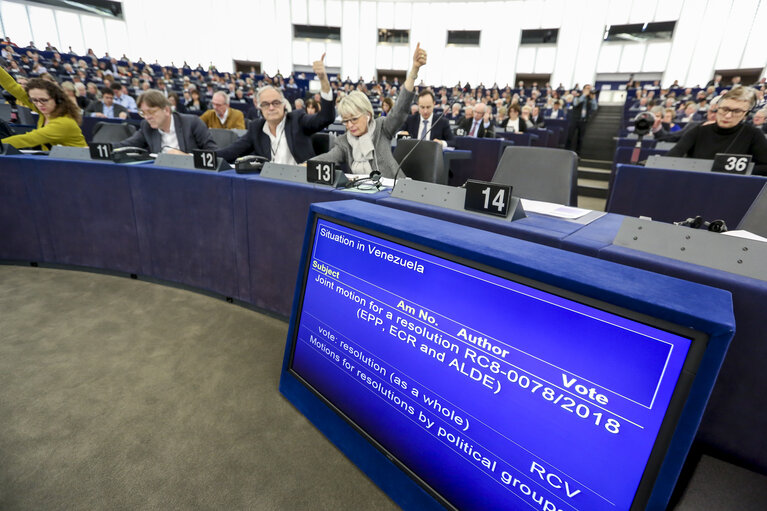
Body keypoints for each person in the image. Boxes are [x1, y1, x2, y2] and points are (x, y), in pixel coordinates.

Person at [311, 44, 427, 178]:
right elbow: (327, 158)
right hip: (362, 193)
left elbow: (400, 109)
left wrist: (414, 70)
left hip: (394, 190)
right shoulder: (343, 142)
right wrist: (302, 167)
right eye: (346, 121)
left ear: (367, 115)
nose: (349, 126)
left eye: (354, 119)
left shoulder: (382, 128)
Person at [217, 53, 334, 164]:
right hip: (270, 183)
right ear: (260, 108)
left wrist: (323, 79)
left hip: (301, 181)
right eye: (266, 104)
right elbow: (231, 152)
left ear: (284, 104)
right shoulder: (256, 128)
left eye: (276, 103)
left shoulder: (297, 120)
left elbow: (325, 117)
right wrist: (204, 157)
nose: (271, 108)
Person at [667, 87, 767, 175]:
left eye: (737, 111)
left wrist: (739, 170)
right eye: (724, 109)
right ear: (717, 108)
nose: (728, 116)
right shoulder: (698, 130)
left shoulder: (754, 135)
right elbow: (669, 160)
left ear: (746, 114)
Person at [0, 65, 86, 149]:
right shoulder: (46, 110)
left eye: (44, 100)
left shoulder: (64, 122)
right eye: (34, 100)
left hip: (78, 162)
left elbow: (28, 139)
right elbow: (13, 87)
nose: (39, 104)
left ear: (56, 99)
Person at [113, 89, 216, 154]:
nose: (147, 117)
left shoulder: (192, 123)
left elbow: (213, 154)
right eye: (143, 113)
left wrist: (187, 158)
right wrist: (103, 148)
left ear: (166, 110)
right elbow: (127, 145)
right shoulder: (147, 126)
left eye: (151, 112)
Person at [567, 84, 598, 153]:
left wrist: (593, 99)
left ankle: (577, 153)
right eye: (587, 88)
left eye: (590, 89)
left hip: (583, 120)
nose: (589, 90)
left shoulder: (590, 99)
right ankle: (566, 151)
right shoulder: (578, 96)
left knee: (580, 138)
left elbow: (595, 108)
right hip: (575, 119)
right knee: (570, 136)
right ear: (583, 90)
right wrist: (584, 95)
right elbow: (575, 103)